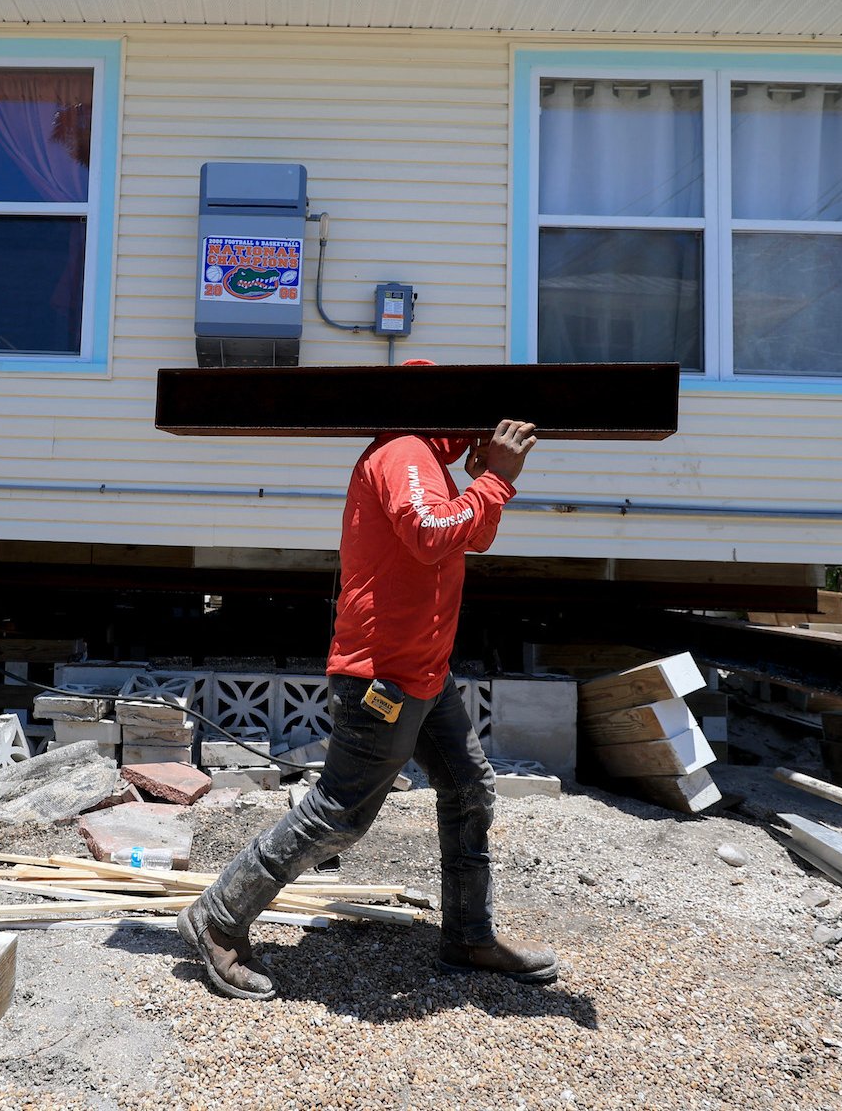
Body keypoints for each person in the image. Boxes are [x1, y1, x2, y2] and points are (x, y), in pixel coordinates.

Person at [179, 400, 558, 1000]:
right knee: (340, 811)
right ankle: (218, 917)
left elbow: (468, 535)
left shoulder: (430, 462)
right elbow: (430, 536)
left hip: (425, 674)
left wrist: (486, 480)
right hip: (382, 678)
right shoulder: (404, 449)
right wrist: (495, 479)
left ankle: (468, 936)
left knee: (469, 788)